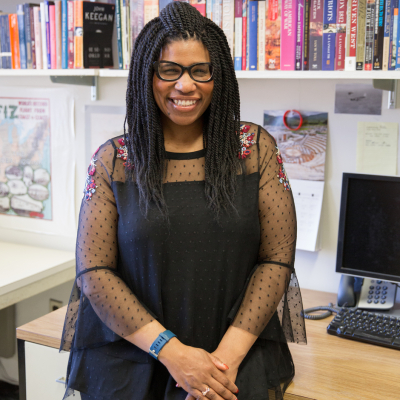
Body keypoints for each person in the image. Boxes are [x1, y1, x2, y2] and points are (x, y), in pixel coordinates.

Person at [59, 2, 307, 399]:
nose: (185, 85)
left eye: (199, 70)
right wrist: (174, 355)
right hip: (135, 362)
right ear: (148, 75)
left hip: (236, 364)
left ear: (217, 76)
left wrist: (218, 365)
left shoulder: (255, 150)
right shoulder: (114, 162)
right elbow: (94, 273)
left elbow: (276, 259)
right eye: (169, 70)